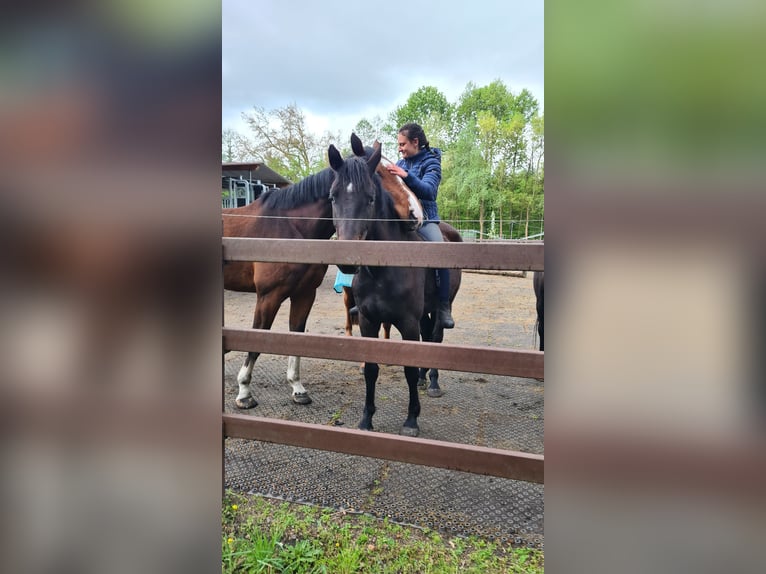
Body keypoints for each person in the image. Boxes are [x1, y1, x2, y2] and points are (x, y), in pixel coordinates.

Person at [386, 122, 455, 329]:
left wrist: (405, 176)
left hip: (425, 219)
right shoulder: (401, 162)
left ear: (415, 142)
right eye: (398, 144)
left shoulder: (431, 162)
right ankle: (365, 299)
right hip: (400, 220)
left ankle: (443, 307)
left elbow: (429, 191)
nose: (400, 148)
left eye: (402, 144)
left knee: (440, 252)